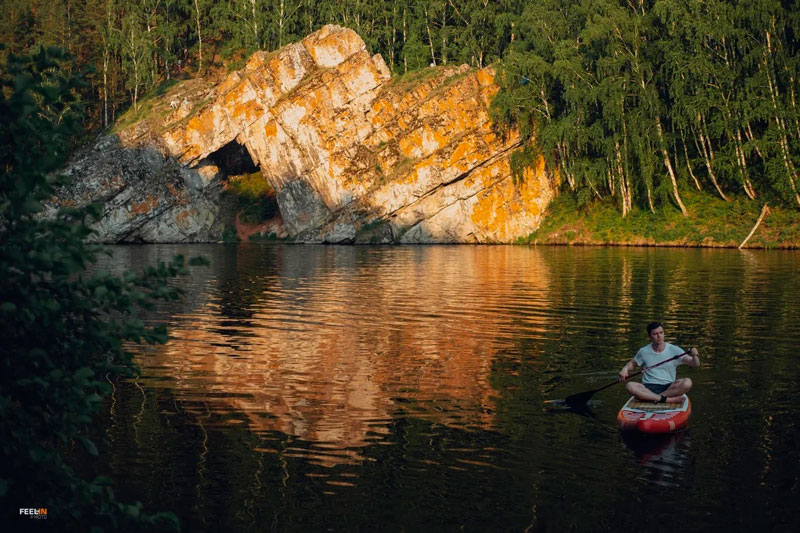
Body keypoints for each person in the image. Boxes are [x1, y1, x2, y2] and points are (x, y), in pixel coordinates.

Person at [618, 322, 700, 403]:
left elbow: (695, 364)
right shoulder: (644, 351)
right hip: (647, 387)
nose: (659, 336)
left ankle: (654, 398)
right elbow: (632, 363)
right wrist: (625, 369)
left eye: (661, 333)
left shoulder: (674, 350)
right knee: (630, 386)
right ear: (649, 336)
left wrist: (695, 355)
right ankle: (666, 400)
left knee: (687, 382)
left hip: (669, 388)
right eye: (655, 334)